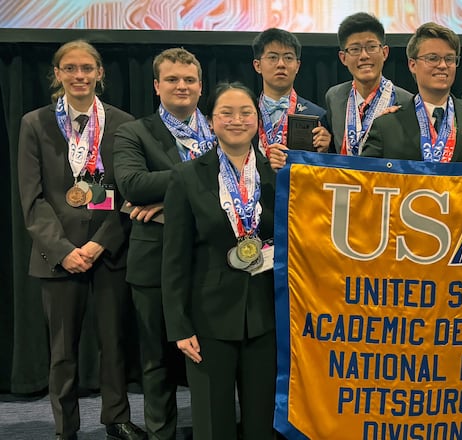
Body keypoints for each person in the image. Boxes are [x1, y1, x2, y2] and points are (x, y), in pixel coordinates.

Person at [17, 39, 146, 440]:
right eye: (70, 68)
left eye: (87, 68)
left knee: (114, 342)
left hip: (108, 248)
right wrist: (64, 250)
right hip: (57, 254)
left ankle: (117, 418)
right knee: (62, 351)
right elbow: (32, 198)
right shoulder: (34, 123)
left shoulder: (124, 123)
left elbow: (128, 194)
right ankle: (65, 426)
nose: (79, 75)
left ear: (100, 73)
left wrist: (99, 244)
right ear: (57, 74)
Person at [162, 82, 278, 440]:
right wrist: (179, 326)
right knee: (214, 422)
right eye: (226, 113)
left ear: (257, 120)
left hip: (267, 316)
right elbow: (175, 258)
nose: (237, 120)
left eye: (245, 112)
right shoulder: (187, 176)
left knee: (262, 420)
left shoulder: (278, 174)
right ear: (210, 122)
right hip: (207, 317)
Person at [113, 47, 211, 440]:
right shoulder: (133, 132)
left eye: (189, 79)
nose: (181, 86)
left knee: (207, 358)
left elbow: (240, 180)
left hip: (210, 262)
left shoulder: (222, 128)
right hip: (153, 264)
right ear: (157, 86)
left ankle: (208, 429)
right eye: (172, 79)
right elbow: (132, 184)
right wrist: (203, 177)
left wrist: (168, 198)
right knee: (156, 361)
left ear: (200, 86)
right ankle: (160, 434)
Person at [361, 22, 462, 162]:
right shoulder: (387, 125)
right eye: (432, 58)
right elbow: (365, 178)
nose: (442, 65)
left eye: (449, 59)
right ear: (412, 65)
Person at [325, 12, 412, 155]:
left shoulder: (406, 102)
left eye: (371, 47)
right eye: (355, 49)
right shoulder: (334, 97)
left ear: (384, 53)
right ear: (343, 58)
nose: (364, 56)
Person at [252, 28, 330, 157]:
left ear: (297, 66)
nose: (281, 64)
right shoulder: (245, 114)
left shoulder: (316, 115)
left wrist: (326, 150)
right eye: (273, 57)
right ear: (257, 65)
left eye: (288, 57)